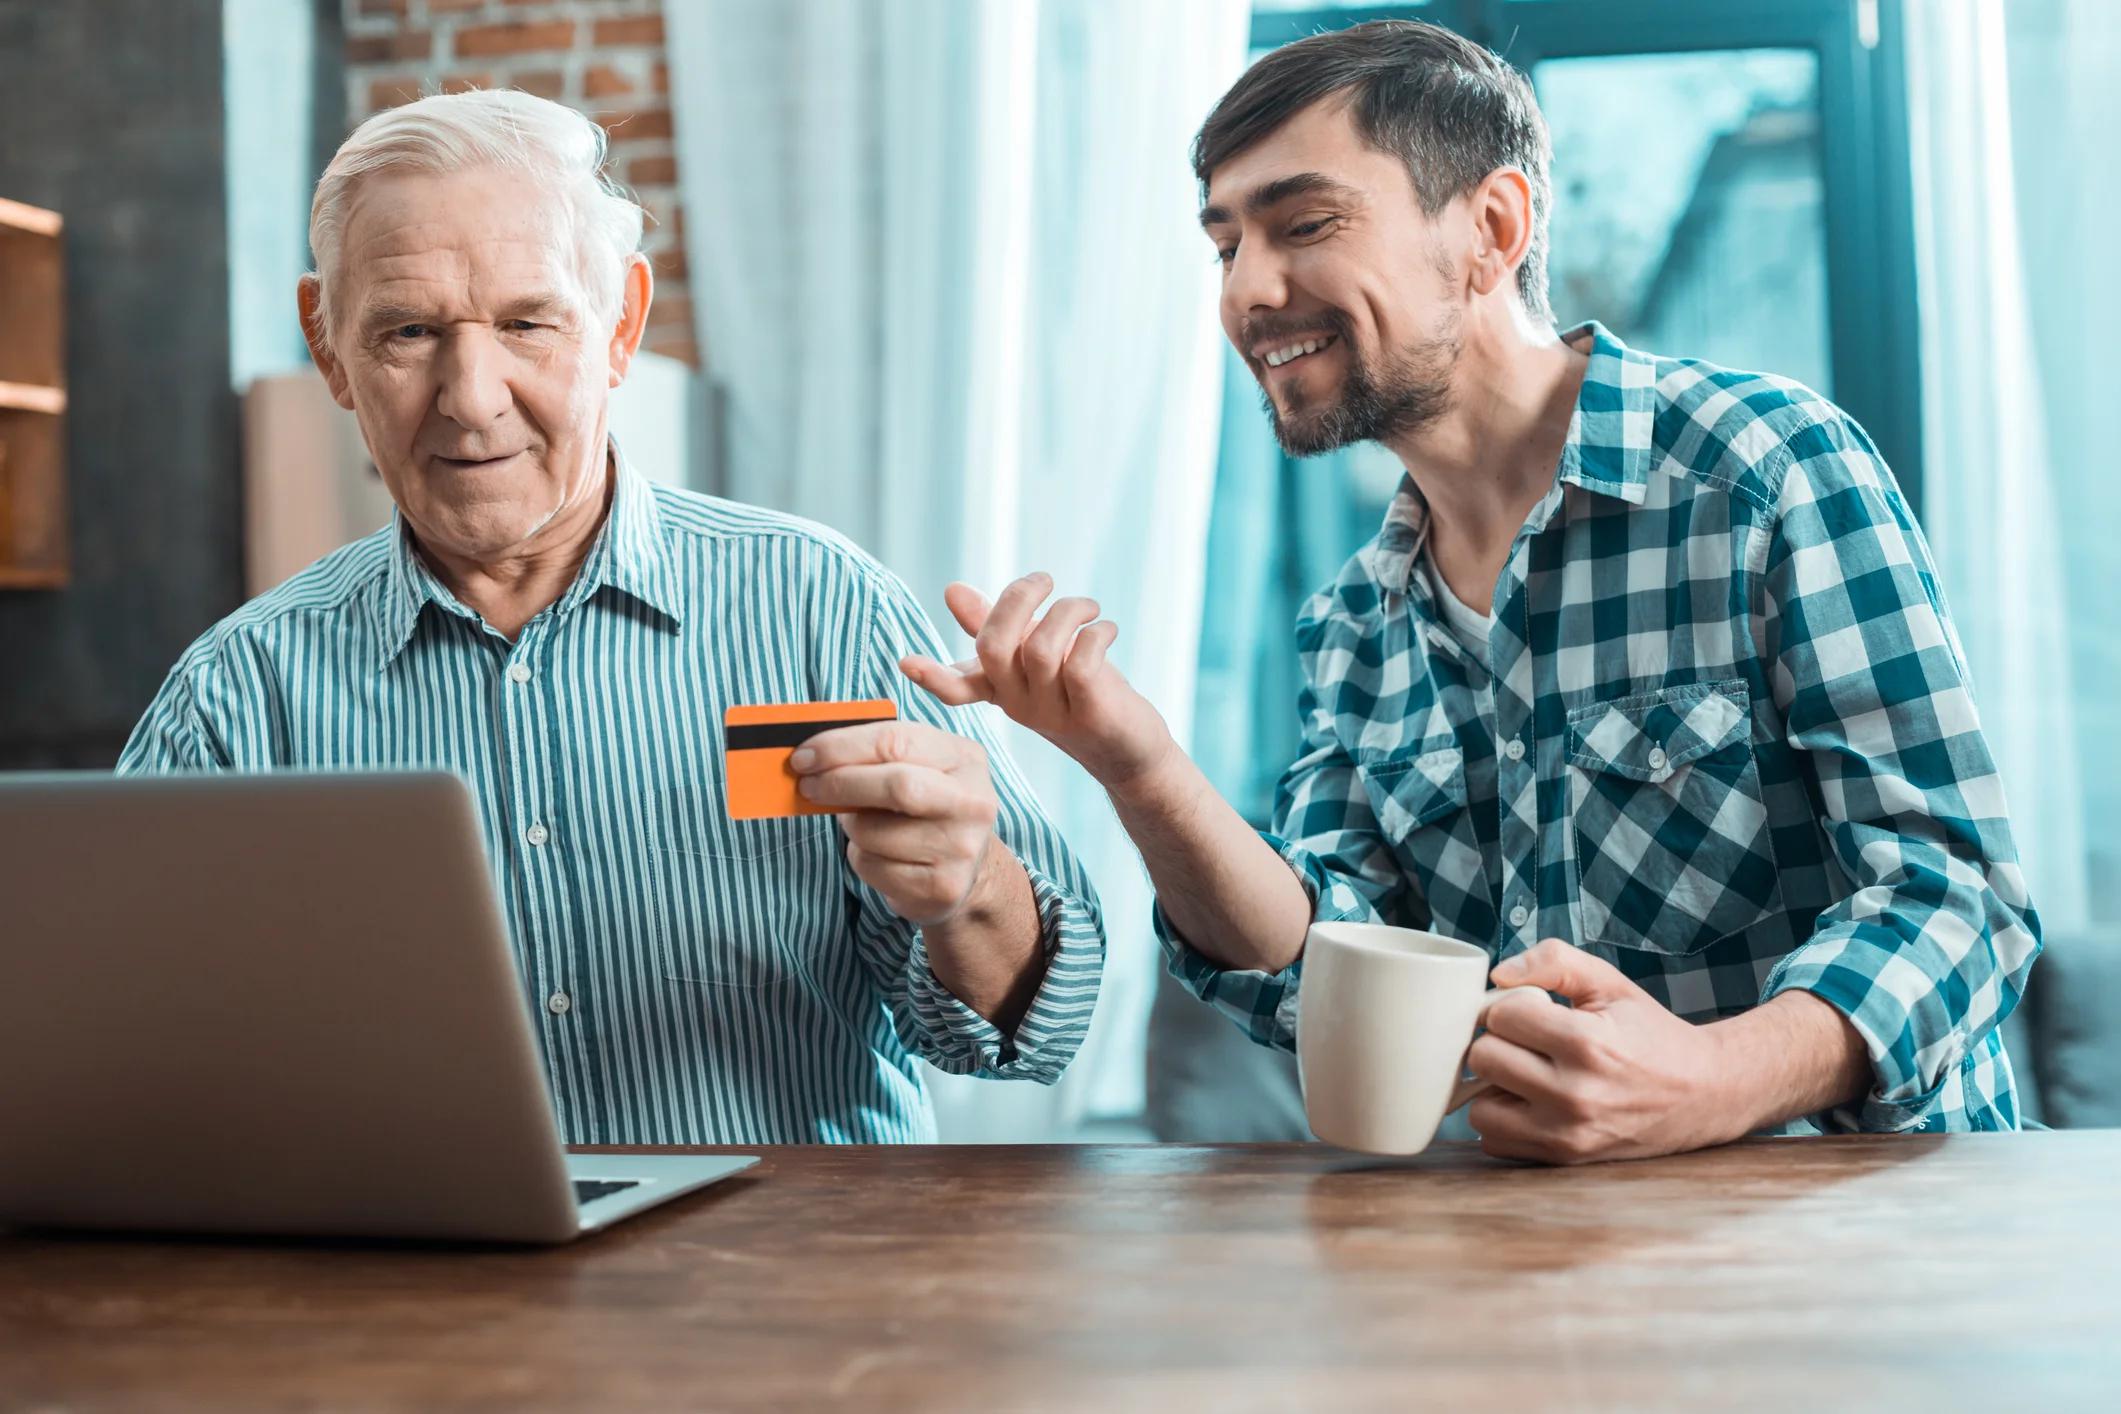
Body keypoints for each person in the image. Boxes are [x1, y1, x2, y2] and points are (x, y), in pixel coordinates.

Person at [905, 20, 2038, 1162]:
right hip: (1536, 1274)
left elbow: (1959, 900)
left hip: (1869, 1247)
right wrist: (1134, 761)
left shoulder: (1763, 470)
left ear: (1493, 228)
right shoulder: (1355, 624)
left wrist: (1708, 1077)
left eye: (1303, 225)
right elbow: (1314, 965)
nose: (1247, 292)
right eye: (1224, 246)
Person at [118, 89, 1103, 1145]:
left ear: (621, 324)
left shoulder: (820, 603)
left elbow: (1036, 1032)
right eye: (408, 332)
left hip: (787, 1294)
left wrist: (973, 890)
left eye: (527, 323)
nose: (472, 396)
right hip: (415, 1301)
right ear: (330, 346)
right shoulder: (237, 694)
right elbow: (116, 1051)